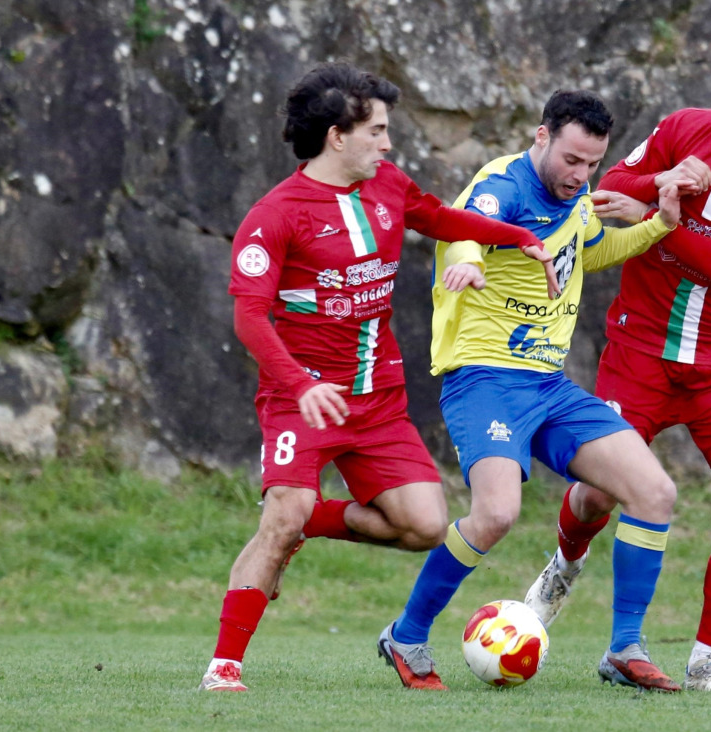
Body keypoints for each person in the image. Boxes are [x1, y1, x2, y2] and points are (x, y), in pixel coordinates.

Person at [200, 62, 559, 692]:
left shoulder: (387, 185)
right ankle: (224, 666)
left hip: (379, 400)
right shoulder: (274, 215)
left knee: (424, 526)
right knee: (283, 513)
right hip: (302, 399)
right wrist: (301, 384)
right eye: (377, 131)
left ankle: (305, 522)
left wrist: (515, 237)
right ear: (337, 136)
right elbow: (249, 318)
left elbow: (438, 217)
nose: (388, 144)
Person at [524, 35, 711, 694]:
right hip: (641, 347)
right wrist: (663, 184)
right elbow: (611, 187)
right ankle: (563, 567)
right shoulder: (687, 127)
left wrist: (657, 217)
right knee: (597, 492)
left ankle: (706, 661)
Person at [376, 90, 689, 692]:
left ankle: (625, 649)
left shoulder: (576, 201)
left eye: (593, 163)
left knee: (655, 492)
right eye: (571, 159)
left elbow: (593, 251)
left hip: (548, 384)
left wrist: (657, 226)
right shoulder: (504, 185)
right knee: (496, 514)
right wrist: (468, 261)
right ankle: (407, 635)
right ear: (541, 136)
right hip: (485, 378)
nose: (580, 175)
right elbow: (467, 229)